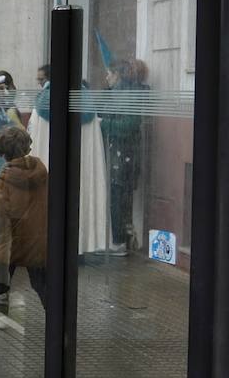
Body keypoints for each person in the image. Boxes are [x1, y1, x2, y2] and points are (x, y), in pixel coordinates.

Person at [27, 67, 110, 256]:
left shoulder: (42, 103)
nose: (39, 84)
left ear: (49, 80)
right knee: (79, 197)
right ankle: (78, 246)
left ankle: (51, 246)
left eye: (40, 80)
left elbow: (34, 139)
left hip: (49, 166)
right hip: (81, 169)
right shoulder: (87, 100)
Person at [0, 124, 49, 315]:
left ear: (2, 153)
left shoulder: (2, 183)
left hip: (12, 243)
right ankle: (56, 314)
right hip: (38, 240)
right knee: (41, 283)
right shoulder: (41, 172)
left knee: (2, 276)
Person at [101, 58, 149, 255]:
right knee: (120, 197)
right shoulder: (119, 94)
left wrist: (103, 124)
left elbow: (129, 126)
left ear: (119, 75)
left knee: (120, 197)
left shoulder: (130, 96)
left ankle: (121, 241)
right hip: (120, 153)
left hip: (124, 155)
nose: (106, 77)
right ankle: (123, 239)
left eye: (110, 74)